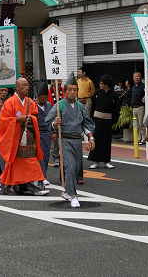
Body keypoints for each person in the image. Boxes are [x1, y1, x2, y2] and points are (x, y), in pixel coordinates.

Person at [45, 74, 93, 207]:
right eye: (69, 89)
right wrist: (55, 123)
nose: (72, 92)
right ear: (65, 91)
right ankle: (73, 195)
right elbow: (47, 122)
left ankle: (67, 191)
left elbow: (86, 123)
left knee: (76, 168)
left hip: (77, 140)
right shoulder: (59, 105)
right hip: (65, 139)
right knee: (70, 166)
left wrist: (91, 137)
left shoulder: (81, 107)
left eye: (75, 90)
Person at [0, 78, 50, 196]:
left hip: (28, 137)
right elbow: (3, 120)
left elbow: (35, 115)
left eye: (27, 85)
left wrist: (31, 118)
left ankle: (36, 187)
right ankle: (13, 186)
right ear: (17, 87)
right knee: (15, 163)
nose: (27, 87)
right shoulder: (9, 102)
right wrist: (17, 119)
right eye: (24, 85)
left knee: (31, 161)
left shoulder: (30, 102)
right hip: (15, 138)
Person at [87, 74, 120, 169]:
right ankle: (95, 161)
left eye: (101, 83)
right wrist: (92, 117)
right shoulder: (97, 93)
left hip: (107, 120)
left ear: (106, 84)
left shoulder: (114, 95)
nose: (100, 85)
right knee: (96, 139)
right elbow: (93, 106)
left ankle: (106, 161)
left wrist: (113, 120)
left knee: (106, 141)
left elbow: (116, 109)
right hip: (97, 119)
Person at [34, 82, 53, 184]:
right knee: (39, 155)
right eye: (44, 97)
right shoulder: (32, 104)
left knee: (46, 155)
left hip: (47, 132)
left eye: (47, 97)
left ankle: (44, 173)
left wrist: (54, 132)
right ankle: (41, 176)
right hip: (37, 132)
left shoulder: (48, 105)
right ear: (38, 96)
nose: (45, 99)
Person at [130, 72, 145, 145]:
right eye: (135, 77)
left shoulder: (143, 86)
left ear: (141, 77)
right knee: (136, 124)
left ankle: (143, 139)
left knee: (141, 123)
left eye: (138, 76)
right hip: (134, 107)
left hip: (140, 107)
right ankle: (137, 139)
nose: (136, 78)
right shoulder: (133, 87)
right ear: (133, 78)